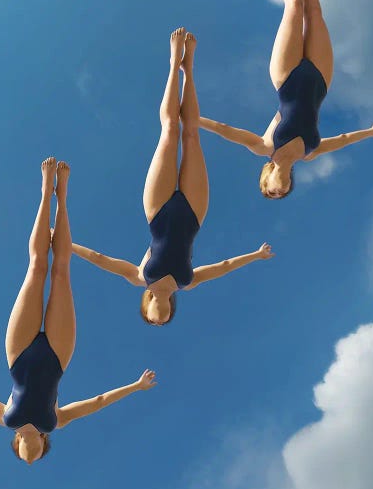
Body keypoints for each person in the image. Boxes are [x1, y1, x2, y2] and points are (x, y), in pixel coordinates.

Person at [0, 158, 157, 464]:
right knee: (61, 272)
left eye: (25, 454)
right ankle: (62, 197)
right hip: (58, 356)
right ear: (44, 443)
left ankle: (45, 193)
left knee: (37, 268)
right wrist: (135, 386)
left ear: (16, 443)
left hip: (18, 355)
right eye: (38, 454)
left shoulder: (5, 417)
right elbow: (98, 402)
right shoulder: (56, 420)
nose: (32, 453)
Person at [73, 29, 274, 326]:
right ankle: (188, 68)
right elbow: (224, 266)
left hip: (157, 211)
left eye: (153, 319)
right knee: (191, 136)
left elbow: (102, 259)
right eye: (165, 320)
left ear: (146, 308)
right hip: (194, 213)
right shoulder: (187, 282)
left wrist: (68, 244)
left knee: (170, 133)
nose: (161, 318)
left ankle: (172, 64)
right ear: (171, 311)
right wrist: (256, 255)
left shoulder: (139, 277)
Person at [199, 0, 373, 199]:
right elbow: (344, 139)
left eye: (273, 192)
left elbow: (226, 129)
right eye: (284, 192)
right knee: (315, 8)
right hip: (320, 80)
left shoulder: (264, 146)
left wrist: (193, 120)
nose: (281, 190)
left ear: (267, 180)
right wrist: (370, 133)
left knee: (295, 5)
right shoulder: (310, 152)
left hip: (286, 78)